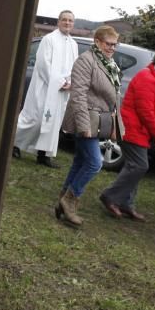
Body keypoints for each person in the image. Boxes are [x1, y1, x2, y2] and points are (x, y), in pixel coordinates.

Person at [55, 26, 123, 227]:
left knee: (80, 161)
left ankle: (63, 201)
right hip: (84, 119)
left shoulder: (109, 64)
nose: (112, 48)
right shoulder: (86, 61)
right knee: (94, 163)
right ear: (97, 42)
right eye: (108, 44)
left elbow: (115, 98)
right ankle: (70, 200)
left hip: (99, 120)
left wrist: (116, 124)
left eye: (114, 44)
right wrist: (84, 125)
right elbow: (78, 95)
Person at [99, 47, 155, 222]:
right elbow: (146, 113)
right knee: (139, 166)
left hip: (140, 130)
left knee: (134, 166)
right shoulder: (147, 78)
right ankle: (110, 196)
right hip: (131, 128)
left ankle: (126, 203)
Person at [13, 10, 79, 167]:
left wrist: (70, 82)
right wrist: (59, 82)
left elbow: (75, 66)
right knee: (35, 119)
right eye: (64, 20)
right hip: (44, 87)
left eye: (70, 20)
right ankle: (13, 143)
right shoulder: (49, 40)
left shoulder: (73, 44)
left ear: (73, 24)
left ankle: (43, 155)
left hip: (61, 91)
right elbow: (43, 64)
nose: (67, 23)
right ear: (58, 22)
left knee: (54, 123)